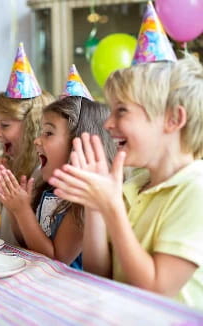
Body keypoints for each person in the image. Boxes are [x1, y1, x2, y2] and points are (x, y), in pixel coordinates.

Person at [49, 54, 203, 308]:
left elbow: (156, 290)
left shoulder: (195, 188)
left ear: (173, 119)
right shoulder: (132, 186)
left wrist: (112, 208)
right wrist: (96, 206)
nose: (108, 123)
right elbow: (99, 275)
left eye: (121, 111)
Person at [0, 92, 116, 269]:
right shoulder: (46, 188)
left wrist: (22, 211)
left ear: (76, 144)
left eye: (48, 133)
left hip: (69, 288)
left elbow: (55, 259)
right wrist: (14, 205)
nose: (37, 140)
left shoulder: (80, 202)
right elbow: (26, 243)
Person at [0, 43, 55, 245]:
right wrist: (4, 190)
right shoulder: (15, 165)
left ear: (31, 126)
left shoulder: (41, 173)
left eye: (4, 125)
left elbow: (31, 247)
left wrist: (14, 201)